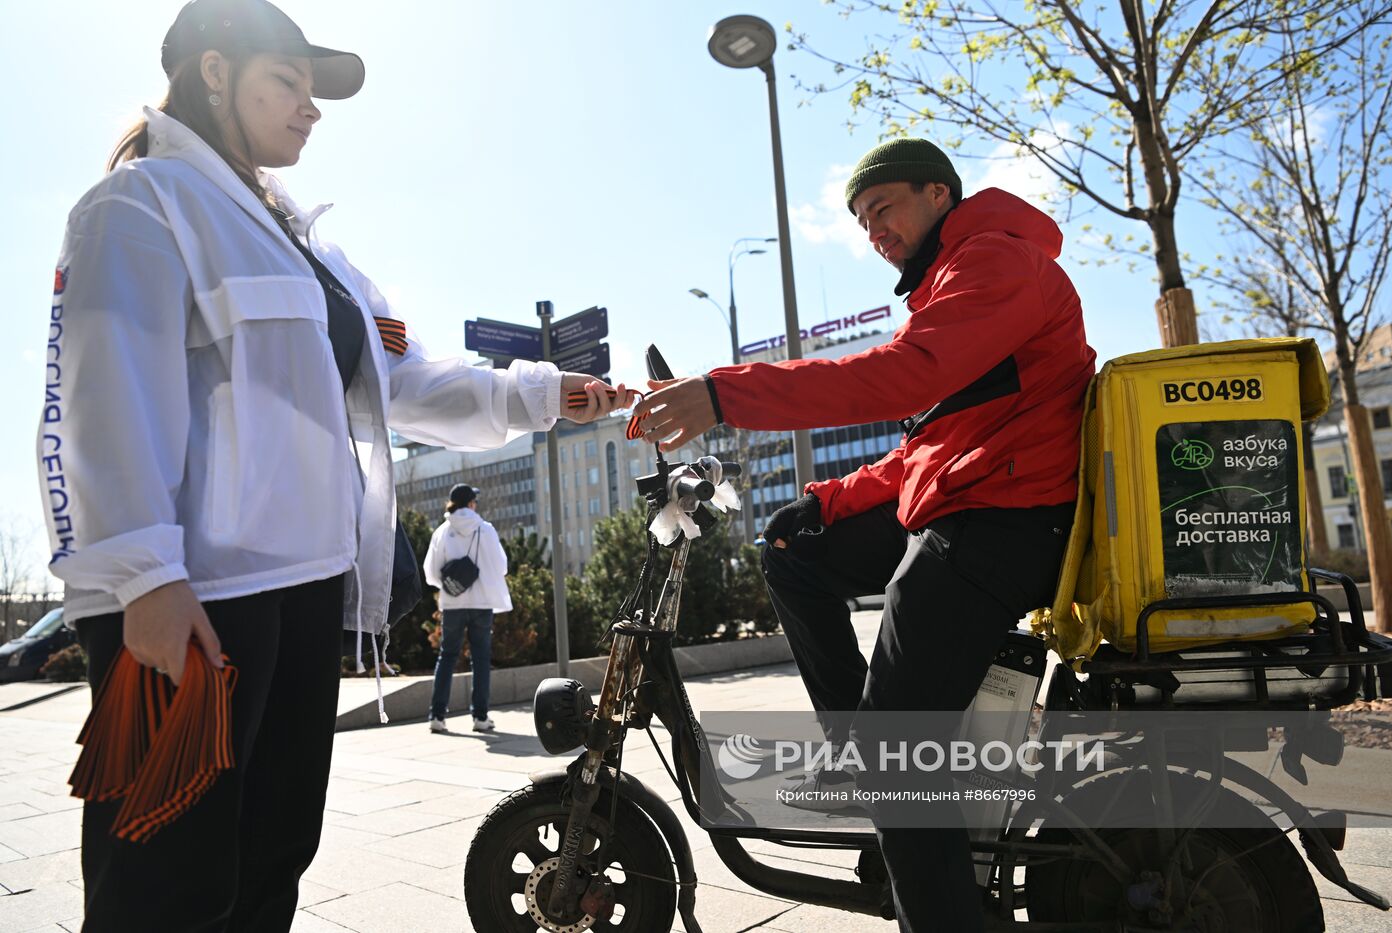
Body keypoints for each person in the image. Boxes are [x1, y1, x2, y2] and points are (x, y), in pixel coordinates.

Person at [37, 2, 631, 930]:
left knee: (272, 862)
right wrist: (143, 577)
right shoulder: (138, 207)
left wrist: (551, 394)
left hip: (303, 590)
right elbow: (100, 401)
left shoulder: (317, 251)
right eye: (289, 84)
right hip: (193, 602)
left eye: (316, 93)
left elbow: (407, 379)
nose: (311, 109)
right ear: (215, 73)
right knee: (164, 883)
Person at [633, 137, 1096, 932]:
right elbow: (929, 443)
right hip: (974, 491)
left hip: (1009, 518)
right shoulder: (954, 278)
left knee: (898, 754)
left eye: (883, 207)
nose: (872, 229)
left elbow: (901, 377)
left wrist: (724, 391)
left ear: (938, 195)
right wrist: (828, 502)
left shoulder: (998, 262)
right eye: (859, 219)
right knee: (794, 553)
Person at [423, 484, 510, 733]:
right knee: (481, 658)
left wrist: (453, 586)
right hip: (482, 604)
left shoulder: (442, 532)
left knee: (447, 656)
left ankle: (437, 716)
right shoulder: (485, 530)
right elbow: (502, 566)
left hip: (452, 604)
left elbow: (431, 572)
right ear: (471, 504)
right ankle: (480, 718)